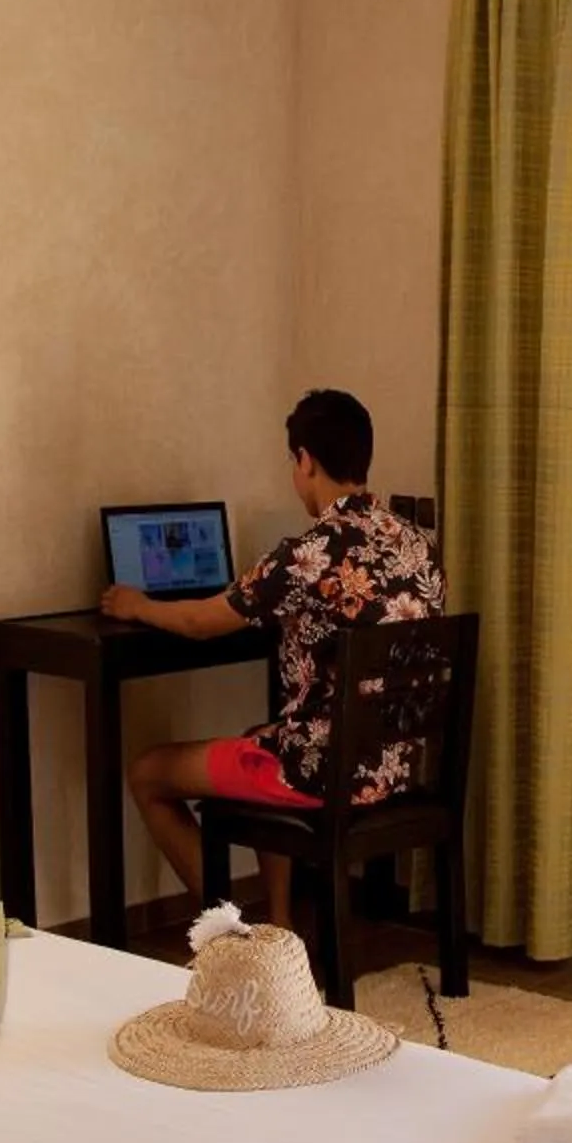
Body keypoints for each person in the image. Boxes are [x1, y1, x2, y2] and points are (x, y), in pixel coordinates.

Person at [101, 389, 444, 914]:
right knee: (260, 737)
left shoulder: (308, 554)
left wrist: (138, 604)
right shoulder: (416, 543)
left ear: (305, 460)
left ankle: (244, 937)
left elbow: (197, 622)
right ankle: (279, 927)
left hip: (322, 771)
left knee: (148, 772)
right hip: (392, 765)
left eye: (294, 462)